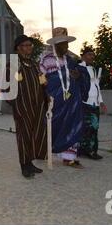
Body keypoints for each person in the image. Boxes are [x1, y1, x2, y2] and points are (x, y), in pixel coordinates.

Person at [40, 27, 89, 169]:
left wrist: (78, 77)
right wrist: (46, 94)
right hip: (55, 102)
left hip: (71, 102)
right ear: (55, 45)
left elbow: (81, 75)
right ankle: (46, 150)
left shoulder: (70, 61)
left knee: (73, 126)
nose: (65, 46)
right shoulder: (46, 60)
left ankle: (70, 157)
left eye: (66, 43)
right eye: (62, 43)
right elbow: (41, 80)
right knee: (54, 127)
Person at [6, 34, 49, 178]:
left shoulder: (35, 65)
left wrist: (46, 99)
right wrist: (16, 106)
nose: (29, 48)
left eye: (30, 45)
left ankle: (30, 162)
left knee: (35, 135)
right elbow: (6, 87)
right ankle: (24, 166)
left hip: (38, 106)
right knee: (23, 136)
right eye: (25, 45)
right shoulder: (13, 64)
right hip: (23, 107)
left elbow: (42, 83)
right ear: (18, 48)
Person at [78, 47, 107, 160]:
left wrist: (101, 101)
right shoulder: (79, 68)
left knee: (94, 127)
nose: (92, 57)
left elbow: (96, 86)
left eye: (93, 55)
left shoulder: (93, 69)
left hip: (94, 103)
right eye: (89, 54)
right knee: (87, 127)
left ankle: (90, 150)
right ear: (83, 56)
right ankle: (86, 150)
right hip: (84, 102)